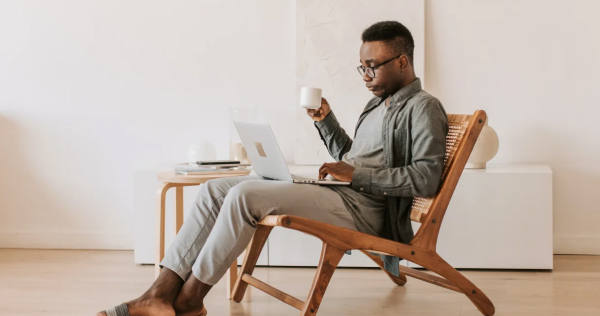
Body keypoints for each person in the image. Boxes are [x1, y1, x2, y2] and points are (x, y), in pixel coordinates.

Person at [98, 20, 448, 316]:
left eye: (372, 66)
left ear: (402, 62)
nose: (365, 75)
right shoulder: (376, 106)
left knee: (247, 195)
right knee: (216, 188)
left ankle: (190, 302)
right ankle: (158, 294)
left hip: (369, 211)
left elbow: (426, 178)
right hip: (345, 195)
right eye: (362, 66)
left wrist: (356, 175)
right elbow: (353, 157)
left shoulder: (423, 108)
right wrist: (326, 122)